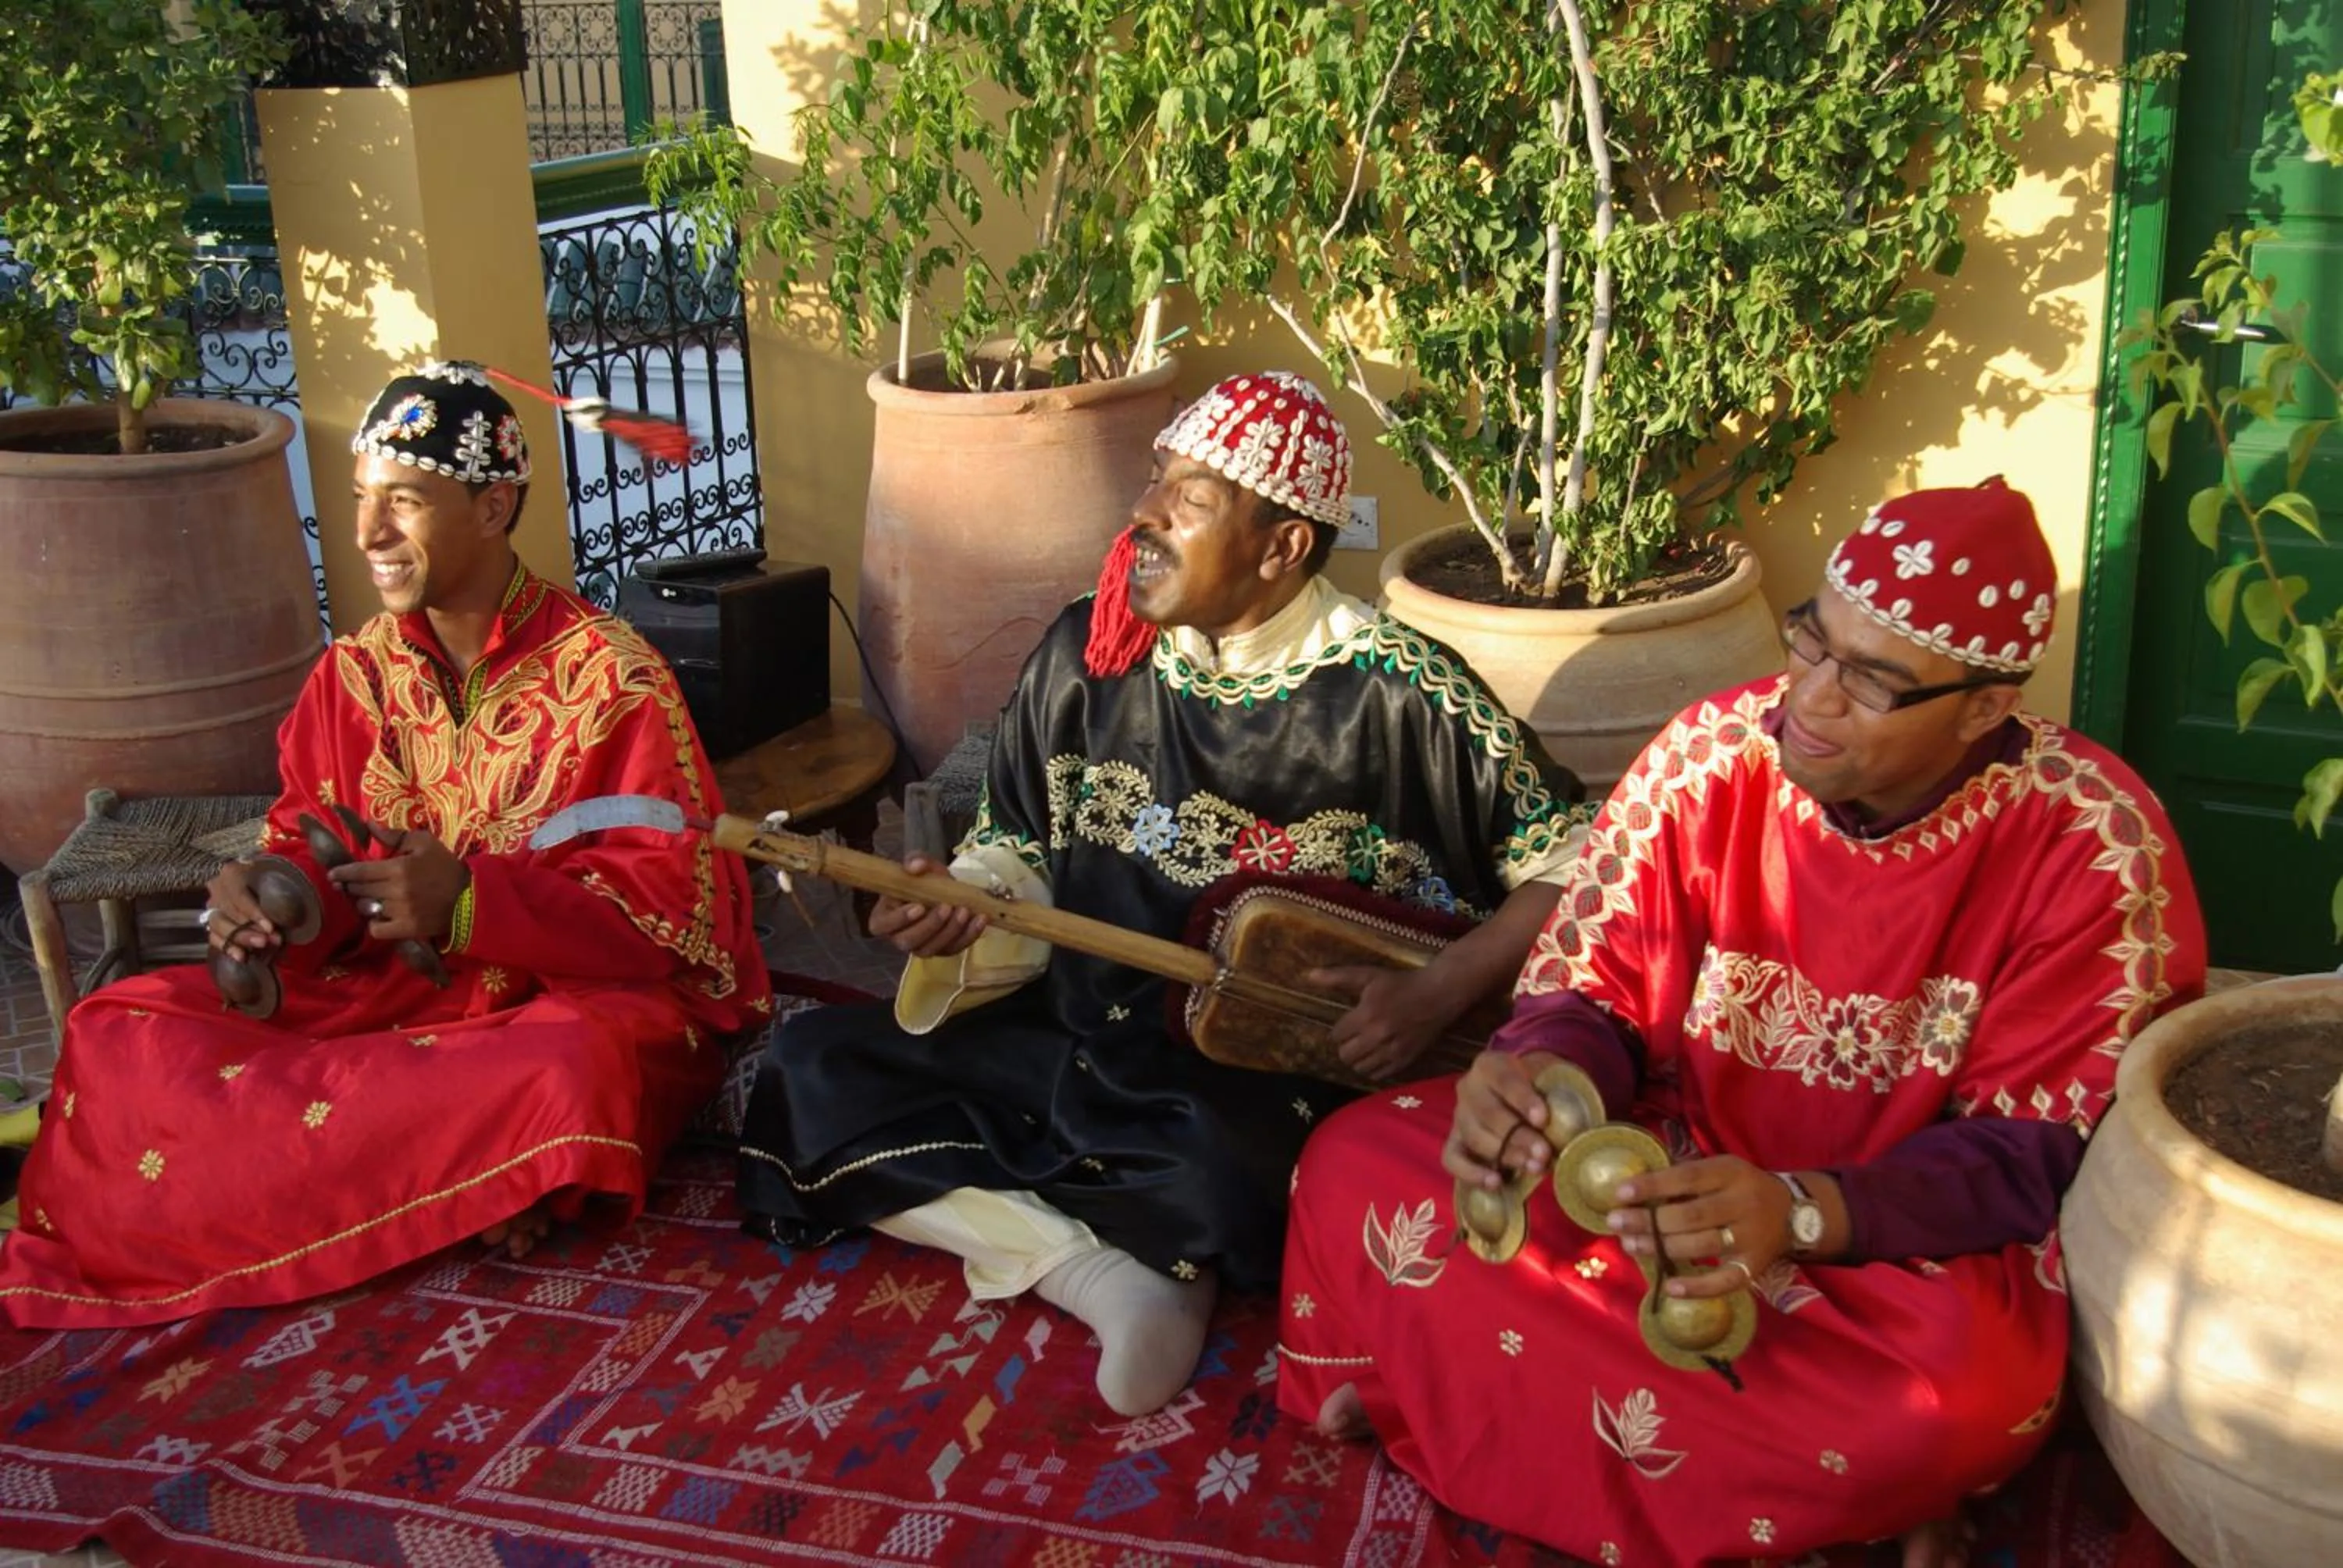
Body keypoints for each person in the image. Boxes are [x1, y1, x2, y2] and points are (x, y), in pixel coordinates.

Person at [1275, 479, 2209, 1568]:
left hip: (1889, 1238)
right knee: (1352, 1166)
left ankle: (1462, 1399)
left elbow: (2035, 1153)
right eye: (1815, 643)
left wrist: (1802, 1216)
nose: (1810, 698)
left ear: (1985, 708)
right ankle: (1819, 1493)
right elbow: (1601, 987)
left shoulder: (2090, 841)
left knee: (1958, 1395)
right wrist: (1538, 1083)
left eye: (1870, 682)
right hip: (1673, 1161)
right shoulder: (1713, 753)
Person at [737, 372, 1589, 1416]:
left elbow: (1576, 863)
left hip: (1232, 1085)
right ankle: (1103, 1272)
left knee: (1245, 1167)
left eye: (1189, 499)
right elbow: (1013, 851)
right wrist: (955, 906)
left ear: (1282, 548)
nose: (1142, 515)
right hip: (1072, 1029)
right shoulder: (1081, 654)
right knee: (809, 1070)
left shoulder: (1402, 694)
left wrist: (1441, 989)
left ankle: (1110, 1243)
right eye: (1154, 482)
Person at [0, 361, 771, 1328]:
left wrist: (470, 903)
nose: (366, 535)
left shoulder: (613, 680)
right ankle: (474, 1186)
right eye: (363, 501)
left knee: (578, 1069)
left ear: (493, 508)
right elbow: (307, 837)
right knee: (115, 1030)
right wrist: (262, 897)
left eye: (402, 502)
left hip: (549, 1005)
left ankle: (452, 1174)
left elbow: (672, 922)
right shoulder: (352, 674)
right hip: (378, 1000)